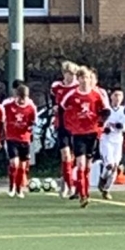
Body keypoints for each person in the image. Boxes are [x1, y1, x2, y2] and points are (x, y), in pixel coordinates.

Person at [61, 67, 110, 208]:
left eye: (87, 77)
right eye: (81, 78)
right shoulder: (72, 95)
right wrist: (69, 125)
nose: (84, 80)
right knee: (80, 164)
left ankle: (85, 192)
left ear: (90, 79)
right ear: (78, 79)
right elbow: (62, 108)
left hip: (92, 133)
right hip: (78, 134)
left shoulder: (96, 94)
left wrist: (100, 122)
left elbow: (106, 111)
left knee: (88, 165)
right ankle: (82, 195)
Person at [3, 83, 38, 199]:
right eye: (20, 97)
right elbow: (1, 117)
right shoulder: (8, 105)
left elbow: (34, 122)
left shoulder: (31, 107)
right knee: (14, 163)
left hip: (25, 139)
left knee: (22, 166)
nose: (22, 100)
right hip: (12, 138)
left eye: (24, 98)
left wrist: (30, 127)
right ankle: (11, 187)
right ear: (16, 96)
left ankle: (19, 189)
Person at [51, 60, 79, 198]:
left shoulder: (78, 87)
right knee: (66, 155)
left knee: (74, 157)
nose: (71, 77)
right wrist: (55, 109)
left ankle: (66, 179)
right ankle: (70, 186)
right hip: (62, 124)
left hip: (76, 125)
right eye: (69, 74)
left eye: (74, 74)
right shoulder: (56, 86)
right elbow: (54, 102)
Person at [99, 88, 125, 199]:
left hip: (118, 141)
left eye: (120, 95)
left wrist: (122, 127)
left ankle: (106, 189)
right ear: (111, 96)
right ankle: (102, 178)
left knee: (115, 167)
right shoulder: (106, 110)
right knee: (109, 165)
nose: (118, 98)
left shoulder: (124, 111)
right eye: (115, 95)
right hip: (106, 140)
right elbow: (98, 124)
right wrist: (104, 129)